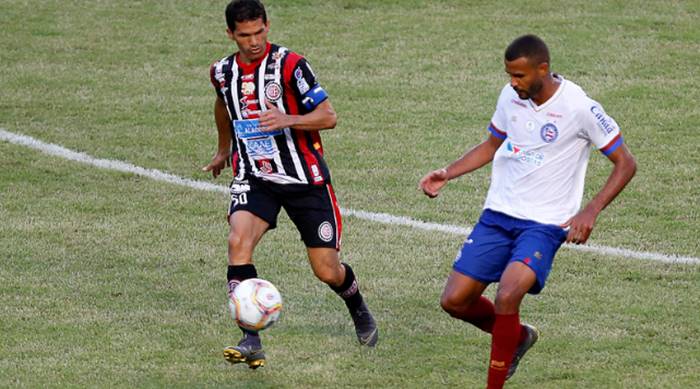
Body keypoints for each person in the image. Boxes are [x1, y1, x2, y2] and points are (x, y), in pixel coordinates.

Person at [419, 34, 636, 388]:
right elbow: (492, 144)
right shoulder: (511, 96)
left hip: (545, 223)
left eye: (519, 76)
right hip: (498, 215)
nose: (512, 82)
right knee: (455, 301)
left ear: (543, 69)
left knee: (508, 293)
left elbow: (625, 163)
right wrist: (449, 172)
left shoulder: (579, 107)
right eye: (509, 75)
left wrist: (590, 211)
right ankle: (518, 336)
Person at [203, 0, 378, 369]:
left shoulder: (291, 65)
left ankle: (357, 305)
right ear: (230, 34)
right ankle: (251, 338)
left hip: (305, 181)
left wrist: (288, 118)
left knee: (327, 270)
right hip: (256, 176)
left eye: (259, 32)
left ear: (268, 25)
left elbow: (329, 116)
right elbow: (223, 106)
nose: (253, 41)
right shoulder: (221, 72)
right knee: (238, 241)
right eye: (245, 35)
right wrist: (223, 150)